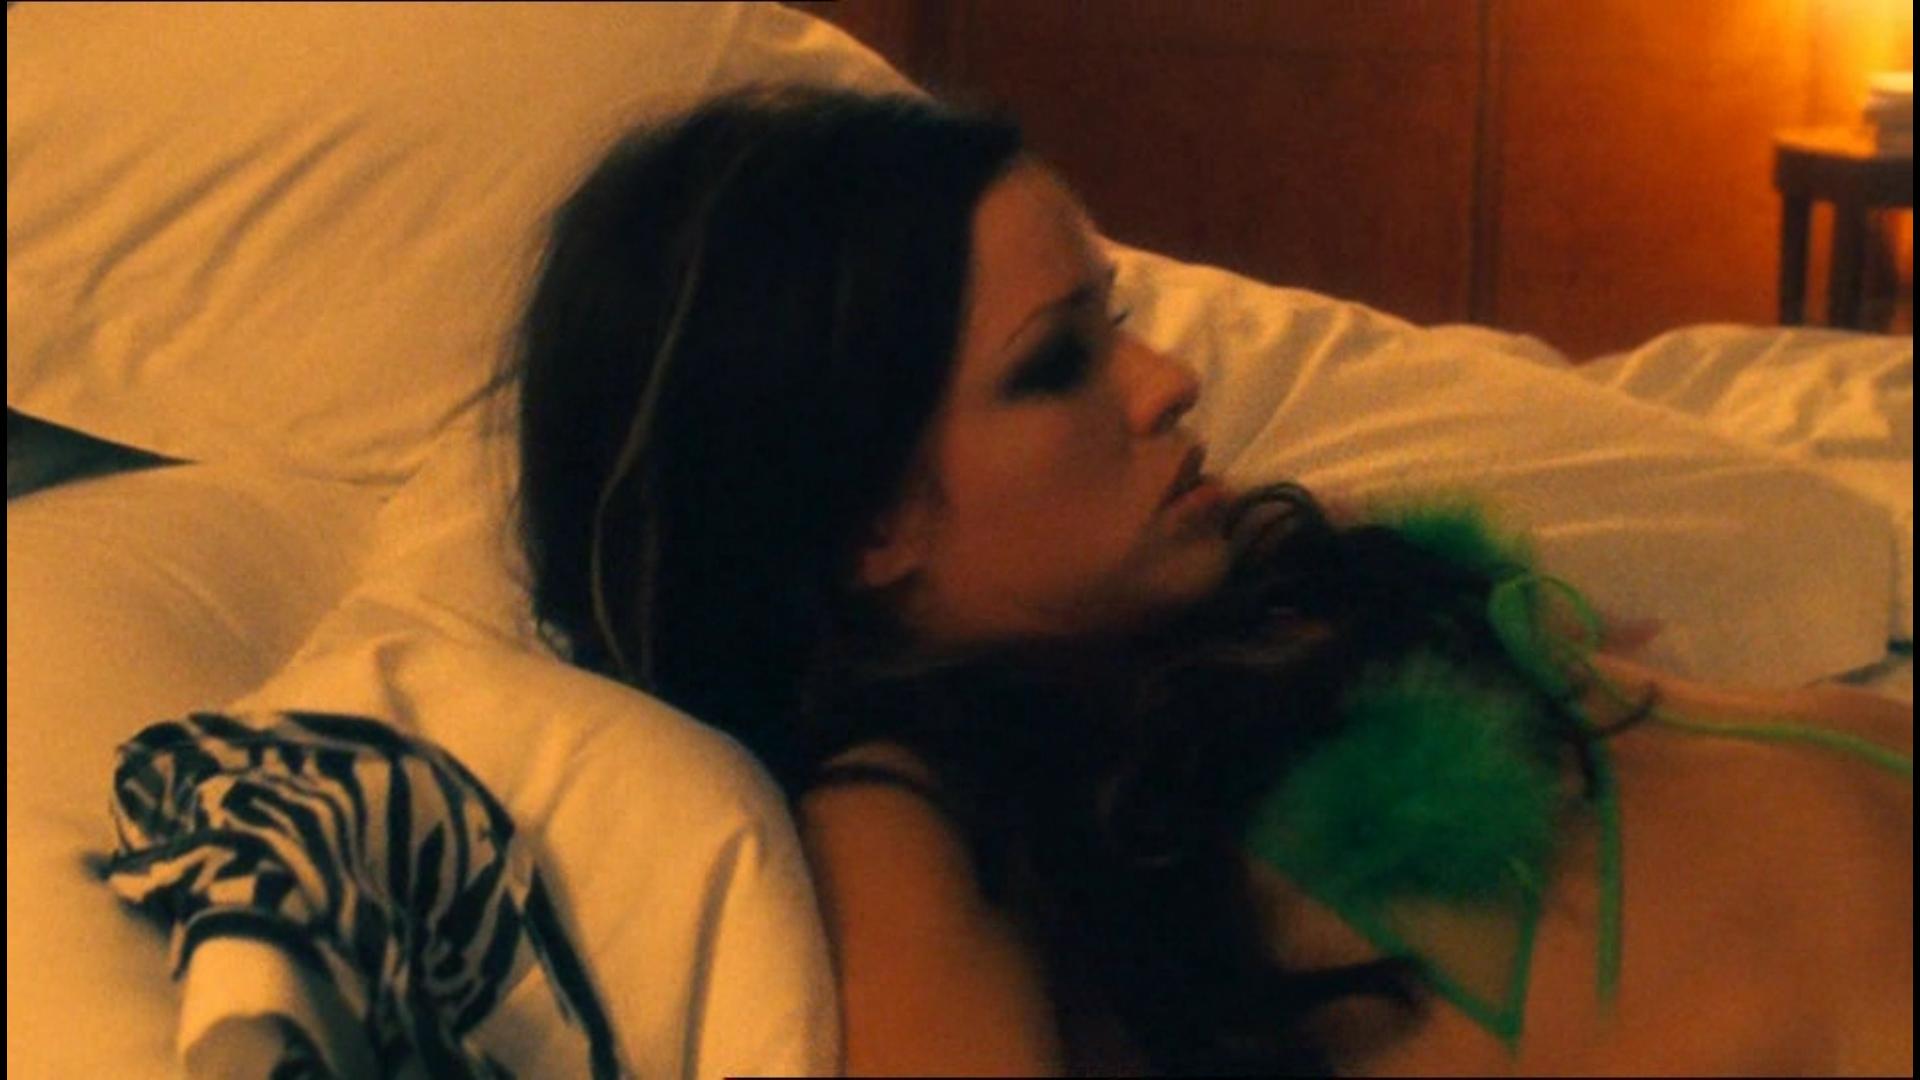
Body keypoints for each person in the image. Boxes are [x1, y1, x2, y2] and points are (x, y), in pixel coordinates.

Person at [503, 83, 1913, 1076]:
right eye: (1060, 362)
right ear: (867, 518)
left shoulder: (1249, 593)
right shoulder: (905, 821)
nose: (1169, 379)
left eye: (1120, 321)